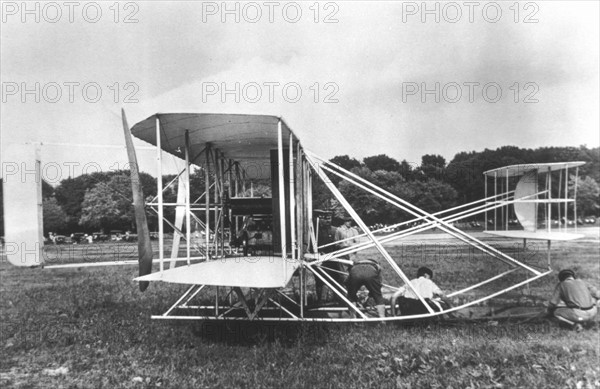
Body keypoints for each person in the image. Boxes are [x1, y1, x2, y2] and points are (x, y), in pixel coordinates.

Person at [314, 217, 347, 304]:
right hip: (320, 260)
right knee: (320, 280)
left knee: (337, 278)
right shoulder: (314, 231)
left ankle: (338, 299)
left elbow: (343, 244)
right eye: (324, 218)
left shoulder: (336, 231)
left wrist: (338, 249)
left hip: (334, 259)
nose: (327, 221)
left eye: (329, 218)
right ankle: (321, 300)